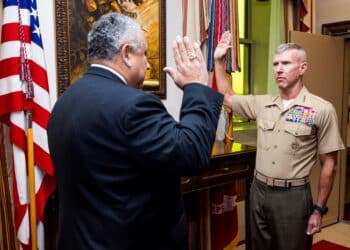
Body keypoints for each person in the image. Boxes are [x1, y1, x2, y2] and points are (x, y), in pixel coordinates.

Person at [47, 13, 223, 250]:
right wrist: (196, 87)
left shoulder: (64, 102)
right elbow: (192, 154)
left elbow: (116, 167)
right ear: (127, 53)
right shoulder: (135, 105)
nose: (149, 64)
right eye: (145, 54)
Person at [214, 31, 344, 250]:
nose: (278, 69)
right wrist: (219, 61)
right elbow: (227, 99)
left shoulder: (321, 109)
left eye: (285, 63)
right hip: (259, 190)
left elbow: (329, 164)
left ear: (302, 67)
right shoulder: (263, 103)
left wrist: (319, 210)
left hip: (292, 197)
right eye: (275, 64)